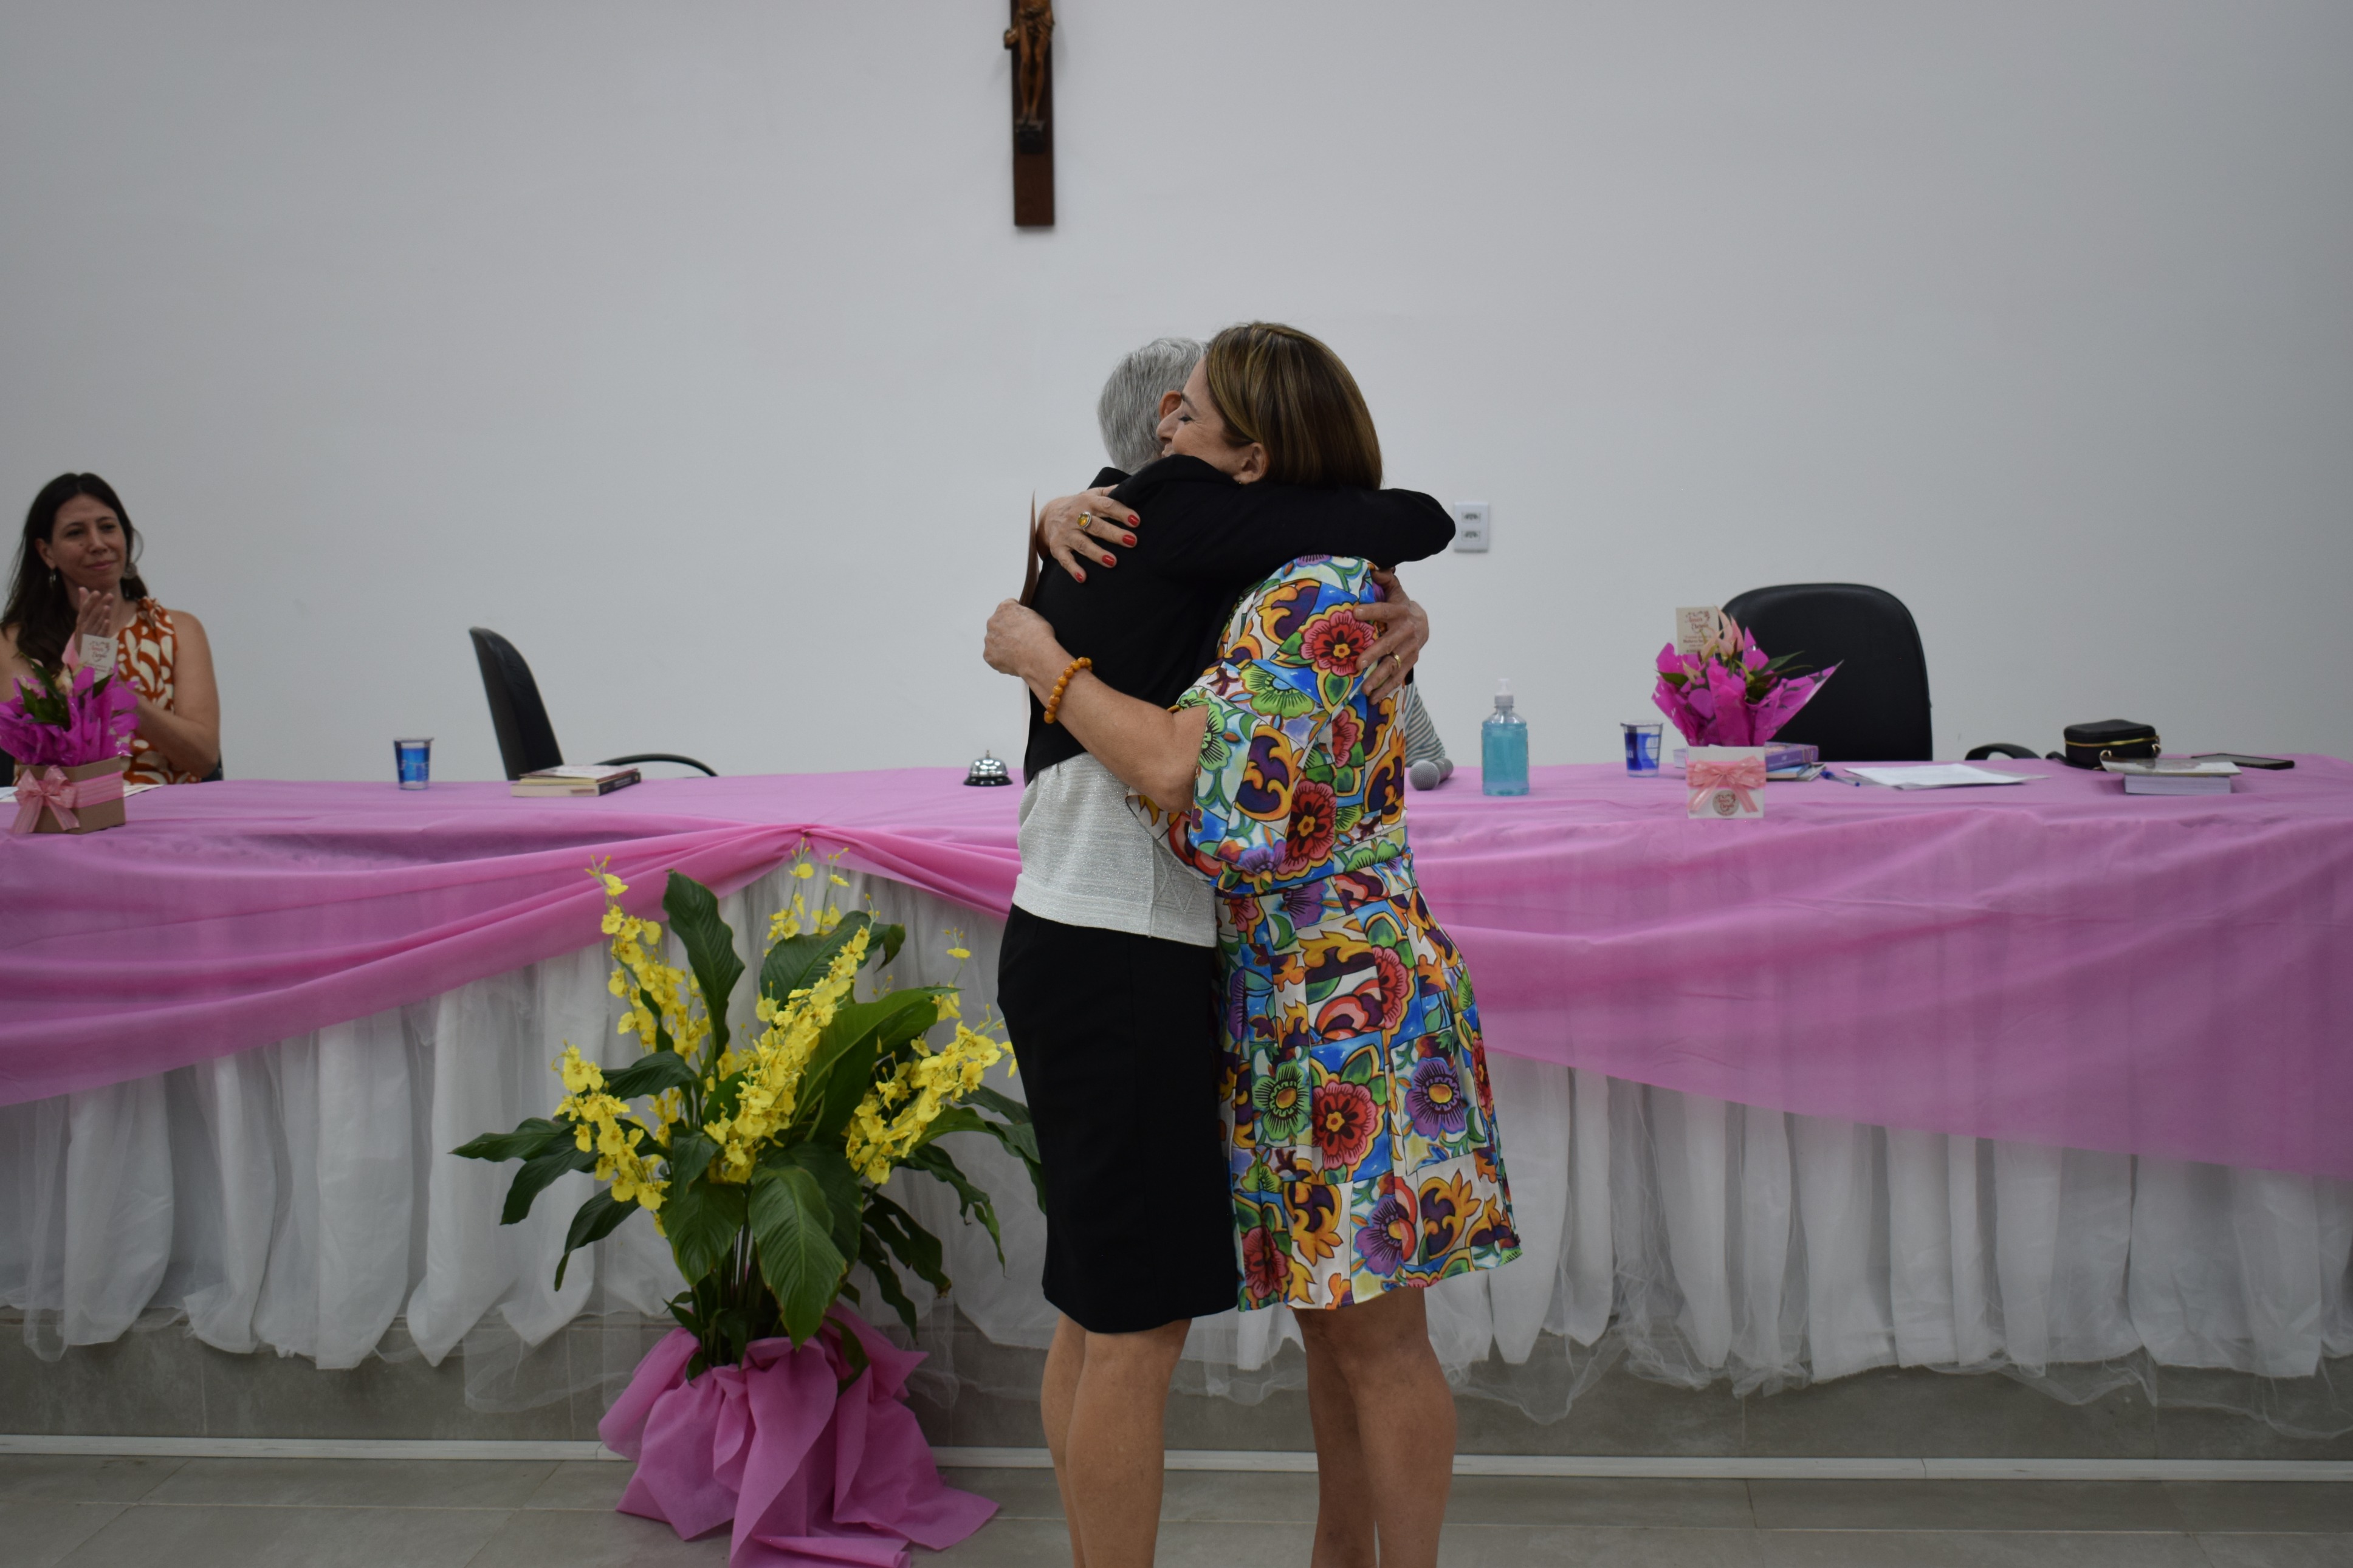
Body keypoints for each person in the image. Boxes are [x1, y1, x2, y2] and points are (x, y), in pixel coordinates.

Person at [986, 323, 1517, 1568]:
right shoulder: (1254, 567)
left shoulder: (1312, 590)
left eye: (1192, 408)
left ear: (1254, 455)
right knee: (1322, 1325)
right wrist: (1044, 520)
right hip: (1275, 990)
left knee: (1365, 1333)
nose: (1165, 422)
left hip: (1346, 995)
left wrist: (1044, 660)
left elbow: (1205, 794)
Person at [1, 474, 220, 784]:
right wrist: (79, 673)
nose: (97, 544)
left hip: (166, 810)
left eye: (107, 527)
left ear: (125, 537)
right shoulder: (14, 641)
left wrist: (118, 692)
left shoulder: (178, 630)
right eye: (76, 533)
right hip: (68, 812)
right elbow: (35, 754)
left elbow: (204, 758)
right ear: (47, 552)